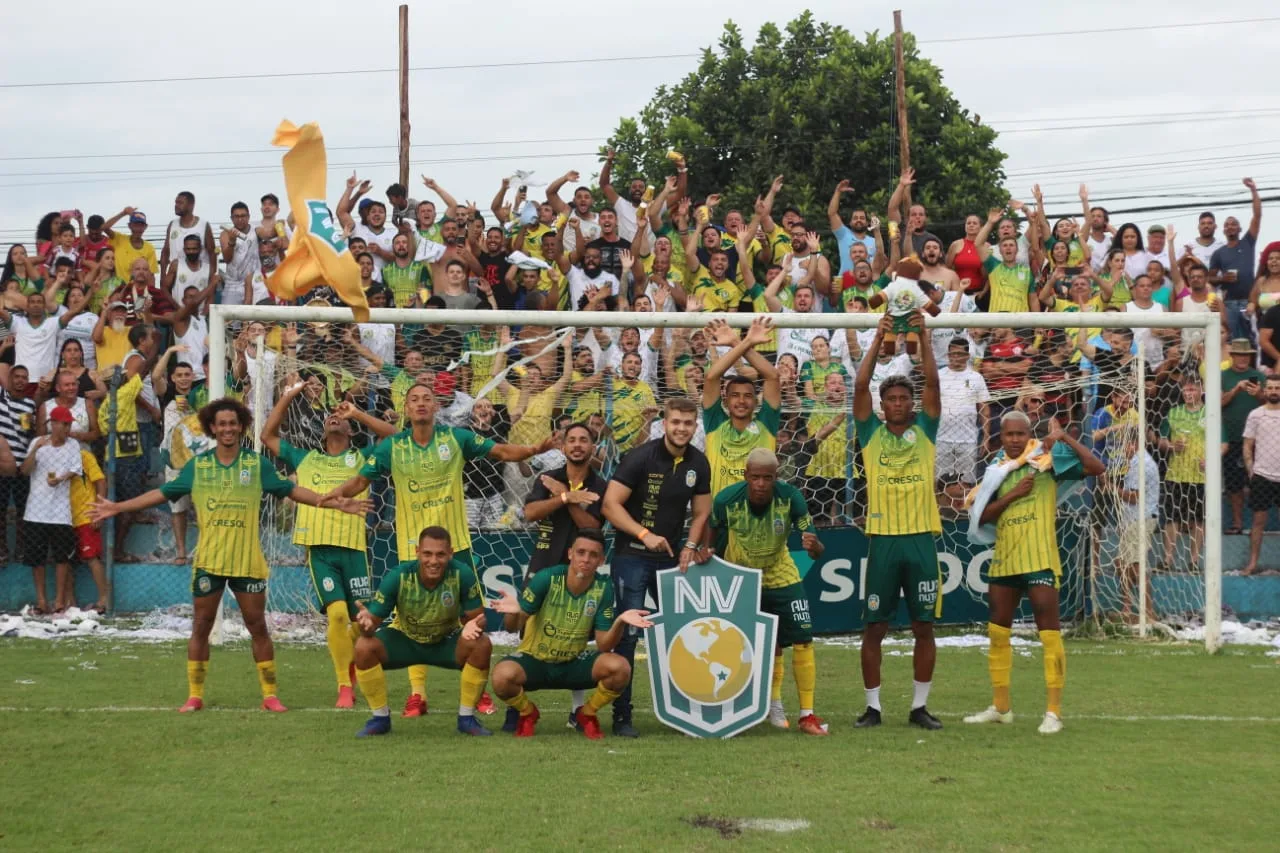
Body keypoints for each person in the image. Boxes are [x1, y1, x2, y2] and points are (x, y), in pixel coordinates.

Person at [90, 398, 368, 713]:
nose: (227, 429)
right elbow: (162, 493)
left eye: (233, 423)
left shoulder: (257, 464)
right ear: (212, 427)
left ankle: (270, 696)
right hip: (209, 562)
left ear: (241, 427)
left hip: (247, 563)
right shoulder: (199, 466)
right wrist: (117, 507)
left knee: (257, 627)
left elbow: (292, 492)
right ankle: (195, 695)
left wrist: (333, 502)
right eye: (221, 423)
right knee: (201, 626)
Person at [327, 382, 557, 717]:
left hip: (457, 547)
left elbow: (503, 452)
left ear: (437, 407)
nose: (421, 404)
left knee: (473, 620)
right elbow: (360, 481)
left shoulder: (456, 439)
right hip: (412, 549)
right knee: (410, 623)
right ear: (406, 409)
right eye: (414, 400)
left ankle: (475, 691)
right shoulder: (393, 446)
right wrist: (333, 495)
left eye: (427, 399)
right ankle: (417, 695)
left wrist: (535, 447)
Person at [963, 412, 1104, 735]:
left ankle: (1053, 712)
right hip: (1005, 561)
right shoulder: (996, 472)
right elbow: (981, 517)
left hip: (1040, 559)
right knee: (998, 633)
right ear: (1000, 437)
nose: (1013, 440)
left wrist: (1064, 436)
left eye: (1020, 434)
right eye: (1008, 434)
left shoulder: (1046, 462)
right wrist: (1014, 494)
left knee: (1049, 633)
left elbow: (1097, 468)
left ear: (1030, 435)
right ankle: (1001, 708)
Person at [262, 384, 397, 708]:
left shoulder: (362, 458)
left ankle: (351, 665)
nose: (335, 417)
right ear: (323, 430)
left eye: (342, 415)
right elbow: (267, 435)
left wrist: (358, 412)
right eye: (331, 415)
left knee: (360, 623)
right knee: (336, 615)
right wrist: (290, 394)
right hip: (320, 549)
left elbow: (394, 437)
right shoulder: (305, 458)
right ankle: (343, 687)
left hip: (354, 549)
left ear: (351, 430)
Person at [853, 311, 945, 730]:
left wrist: (923, 338)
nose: (897, 404)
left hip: (921, 540)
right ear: (883, 404)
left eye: (903, 398)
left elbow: (933, 384)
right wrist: (879, 337)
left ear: (910, 404)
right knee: (875, 627)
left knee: (924, 626)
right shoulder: (869, 434)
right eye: (890, 398)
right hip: (883, 541)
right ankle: (873, 708)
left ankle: (918, 707)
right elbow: (859, 386)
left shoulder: (925, 429)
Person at [601, 398, 712, 738]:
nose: (681, 428)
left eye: (688, 423)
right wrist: (644, 534)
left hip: (670, 558)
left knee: (681, 633)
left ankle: (684, 712)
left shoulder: (699, 463)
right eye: (675, 422)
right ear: (664, 423)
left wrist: (691, 546)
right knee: (629, 637)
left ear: (695, 426)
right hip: (632, 555)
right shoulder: (640, 457)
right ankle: (622, 716)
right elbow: (609, 505)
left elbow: (702, 512)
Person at [702, 448, 827, 733]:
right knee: (764, 646)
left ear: (776, 477)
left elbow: (816, 546)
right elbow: (713, 539)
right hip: (743, 577)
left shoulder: (791, 497)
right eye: (755, 477)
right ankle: (773, 705)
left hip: (781, 574)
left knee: (804, 639)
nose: (760, 484)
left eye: (767, 478)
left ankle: (807, 714)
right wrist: (710, 559)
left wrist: (815, 547)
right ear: (746, 475)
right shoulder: (725, 500)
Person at [489, 529, 653, 739]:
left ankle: (587, 713)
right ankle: (527, 712)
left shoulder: (603, 588)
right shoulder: (546, 578)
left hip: (572, 665)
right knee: (502, 677)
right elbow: (513, 627)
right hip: (535, 661)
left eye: (593, 555)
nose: (586, 559)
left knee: (620, 668)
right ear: (570, 554)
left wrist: (619, 622)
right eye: (580, 552)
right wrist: (513, 614)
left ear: (601, 560)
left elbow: (604, 645)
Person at [350, 526, 494, 738]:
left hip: (446, 641)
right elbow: (371, 623)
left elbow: (478, 617)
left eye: (440, 554)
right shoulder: (399, 576)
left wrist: (475, 625)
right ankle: (380, 719)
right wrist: (364, 623)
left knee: (482, 645)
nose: (433, 561)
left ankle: (466, 719)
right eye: (427, 553)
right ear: (417, 551)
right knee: (363, 646)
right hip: (405, 641)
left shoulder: (462, 574)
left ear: (451, 553)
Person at [702, 317, 780, 496]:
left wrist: (739, 342)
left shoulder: (766, 424)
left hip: (758, 513)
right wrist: (743, 343)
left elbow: (773, 377)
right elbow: (712, 378)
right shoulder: (715, 423)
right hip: (720, 515)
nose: (741, 401)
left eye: (747, 396)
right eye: (735, 396)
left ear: (755, 401)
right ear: (726, 400)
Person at [21, 406, 83, 614]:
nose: (67, 428)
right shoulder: (38, 443)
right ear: (53, 424)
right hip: (35, 510)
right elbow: (25, 470)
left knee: (62, 558)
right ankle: (41, 601)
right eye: (64, 424)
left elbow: (75, 470)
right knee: (37, 559)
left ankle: (59, 602)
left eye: (69, 424)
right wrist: (36, 449)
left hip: (60, 511)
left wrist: (60, 479)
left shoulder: (73, 444)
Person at [1158, 378, 1210, 573]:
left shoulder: (1210, 413)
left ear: (1201, 391)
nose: (1188, 393)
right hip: (1176, 474)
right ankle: (1167, 561)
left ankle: (1194, 562)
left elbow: (1223, 443)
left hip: (1201, 476)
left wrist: (1211, 459)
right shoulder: (1173, 413)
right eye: (1186, 389)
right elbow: (1161, 441)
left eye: (1193, 389)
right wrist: (1172, 446)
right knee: (1172, 518)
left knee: (1199, 519)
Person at [1210, 178, 1262, 341]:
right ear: (1223, 230)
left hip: (1249, 301)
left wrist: (1253, 190)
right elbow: (1210, 278)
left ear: (1239, 228)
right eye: (1227, 225)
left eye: (1234, 224)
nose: (1230, 226)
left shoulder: (1248, 242)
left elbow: (1257, 216)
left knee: (1252, 340)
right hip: (1230, 304)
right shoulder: (1218, 253)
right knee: (1231, 340)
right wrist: (1222, 278)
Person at [1222, 339, 1265, 535]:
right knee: (1234, 484)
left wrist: (1259, 394)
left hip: (1260, 439)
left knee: (1262, 482)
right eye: (1240, 354)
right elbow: (1217, 403)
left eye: (1246, 355)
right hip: (1232, 437)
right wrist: (1236, 389)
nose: (1243, 358)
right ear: (1232, 356)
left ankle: (1259, 526)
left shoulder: (1259, 376)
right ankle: (1238, 523)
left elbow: (1271, 402)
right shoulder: (1222, 376)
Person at [1242, 375, 1280, 575]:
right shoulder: (1256, 414)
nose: (1274, 391)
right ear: (1265, 390)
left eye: (1278, 388)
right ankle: (1252, 563)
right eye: (1271, 387)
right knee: (1258, 522)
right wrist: (1251, 471)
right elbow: (1247, 445)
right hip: (1262, 475)